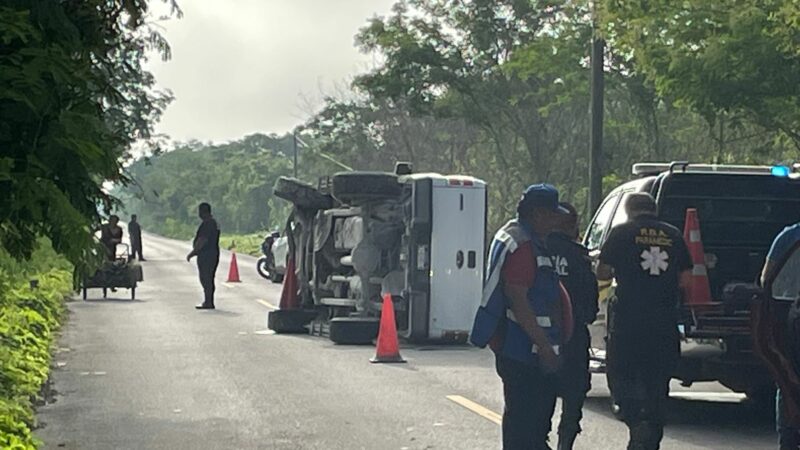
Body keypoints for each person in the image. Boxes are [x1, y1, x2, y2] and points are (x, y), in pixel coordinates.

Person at [471, 184, 573, 450]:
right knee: (527, 427)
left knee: (523, 424)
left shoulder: (516, 235)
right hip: (523, 348)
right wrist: (544, 346)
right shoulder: (524, 246)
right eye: (552, 214)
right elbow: (519, 300)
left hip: (519, 346)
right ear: (538, 214)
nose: (555, 221)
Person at [596, 193, 692, 450]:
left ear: (629, 210)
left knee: (620, 374)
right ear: (653, 209)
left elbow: (602, 272)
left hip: (628, 320)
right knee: (658, 381)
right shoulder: (673, 234)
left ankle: (635, 421)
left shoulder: (621, 233)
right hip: (663, 320)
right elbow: (686, 280)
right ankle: (650, 435)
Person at [547, 202, 599, 450]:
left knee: (539, 395)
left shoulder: (536, 250)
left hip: (538, 338)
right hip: (574, 337)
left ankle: (539, 439)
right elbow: (591, 308)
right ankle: (565, 443)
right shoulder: (578, 256)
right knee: (573, 394)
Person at [760, 222, 800, 450]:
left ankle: (789, 437)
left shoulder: (790, 236)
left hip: (790, 317)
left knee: (787, 381)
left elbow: (767, 279)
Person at [186, 202, 220, 310]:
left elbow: (203, 240)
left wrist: (193, 252)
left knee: (206, 278)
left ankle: (208, 301)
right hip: (213, 253)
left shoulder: (208, 224)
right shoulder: (214, 223)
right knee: (209, 278)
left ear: (203, 212)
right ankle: (209, 300)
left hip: (207, 254)